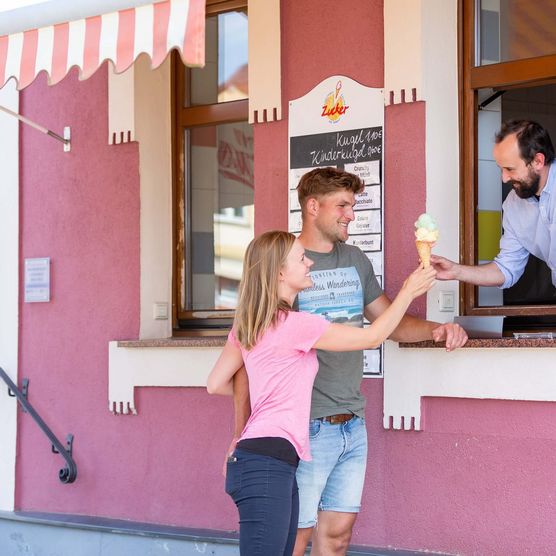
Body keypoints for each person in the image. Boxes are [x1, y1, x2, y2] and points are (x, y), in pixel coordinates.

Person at [224, 167, 468, 556]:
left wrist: (437, 330)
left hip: (351, 424)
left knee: (336, 540)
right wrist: (239, 434)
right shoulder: (284, 269)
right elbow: (243, 365)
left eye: (352, 206)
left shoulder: (354, 259)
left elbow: (387, 323)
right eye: (342, 205)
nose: (350, 215)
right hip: (302, 431)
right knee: (294, 539)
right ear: (312, 206)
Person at [207, 230, 436, 556]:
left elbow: (215, 383)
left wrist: (270, 384)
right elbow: (373, 337)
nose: (309, 262)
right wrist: (409, 291)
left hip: (267, 459)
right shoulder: (297, 324)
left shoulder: (249, 324)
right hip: (267, 465)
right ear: (280, 273)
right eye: (301, 258)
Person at [432, 119, 556, 289]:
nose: (504, 178)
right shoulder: (513, 205)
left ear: (538, 161)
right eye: (501, 169)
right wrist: (456, 271)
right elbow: (506, 268)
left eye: (510, 169)